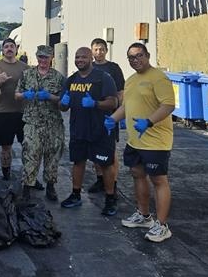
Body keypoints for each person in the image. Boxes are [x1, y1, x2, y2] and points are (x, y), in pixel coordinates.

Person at [105, 43, 176, 243]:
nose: (135, 60)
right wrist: (113, 118)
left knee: (158, 180)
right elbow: (128, 106)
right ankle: (144, 216)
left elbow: (169, 104)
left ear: (147, 55)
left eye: (139, 55)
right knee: (137, 174)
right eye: (131, 57)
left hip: (156, 142)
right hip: (136, 140)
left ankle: (162, 226)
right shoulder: (131, 80)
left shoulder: (158, 78)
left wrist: (149, 121)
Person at [59, 47, 118, 213]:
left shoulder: (103, 78)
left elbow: (113, 102)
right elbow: (63, 108)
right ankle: (76, 194)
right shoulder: (71, 80)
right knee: (78, 162)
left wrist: (96, 104)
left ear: (91, 58)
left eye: (83, 57)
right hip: (79, 130)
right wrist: (63, 102)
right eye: (77, 57)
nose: (80, 60)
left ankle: (110, 198)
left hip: (100, 130)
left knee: (105, 164)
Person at [15, 45, 66, 202]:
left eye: (46, 57)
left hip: (53, 122)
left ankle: (50, 186)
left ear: (51, 58)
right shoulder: (27, 74)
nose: (43, 60)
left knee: (53, 155)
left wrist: (51, 97)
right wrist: (25, 95)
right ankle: (27, 187)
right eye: (40, 57)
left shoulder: (59, 78)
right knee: (30, 153)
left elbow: (63, 102)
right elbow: (16, 95)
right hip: (32, 121)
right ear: (36, 57)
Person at [88, 38, 126, 194]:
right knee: (94, 148)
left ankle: (113, 181)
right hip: (91, 115)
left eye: (101, 49)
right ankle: (100, 180)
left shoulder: (113, 68)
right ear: (92, 51)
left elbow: (121, 92)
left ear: (106, 50)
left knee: (111, 150)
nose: (99, 52)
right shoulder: (88, 68)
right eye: (96, 49)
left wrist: (117, 112)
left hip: (109, 115)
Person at [0, 38, 27, 180]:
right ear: (2, 50)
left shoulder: (25, 67)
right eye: (6, 47)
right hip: (3, 112)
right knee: (6, 147)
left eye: (12, 46)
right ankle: (6, 175)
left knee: (28, 147)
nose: (9, 49)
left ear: (16, 49)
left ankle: (30, 176)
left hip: (23, 113)